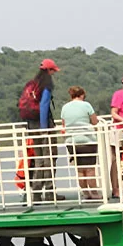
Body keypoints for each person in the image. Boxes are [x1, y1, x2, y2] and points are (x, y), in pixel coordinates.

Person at [22, 59, 62, 202]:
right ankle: (50, 192)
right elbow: (44, 105)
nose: (53, 74)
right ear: (49, 71)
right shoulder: (47, 84)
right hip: (42, 125)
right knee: (50, 157)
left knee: (39, 159)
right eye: (53, 71)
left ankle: (36, 193)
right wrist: (44, 128)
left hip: (31, 125)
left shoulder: (32, 84)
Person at [60, 87, 100, 200]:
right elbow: (94, 121)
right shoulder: (86, 105)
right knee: (90, 169)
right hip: (87, 140)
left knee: (80, 170)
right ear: (82, 95)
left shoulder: (65, 107)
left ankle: (86, 193)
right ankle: (95, 193)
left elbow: (64, 125)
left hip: (71, 141)